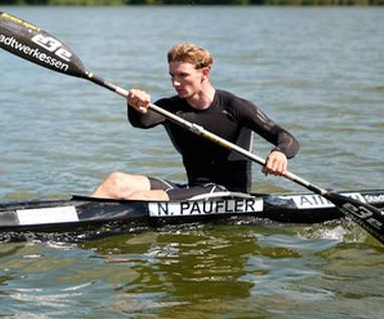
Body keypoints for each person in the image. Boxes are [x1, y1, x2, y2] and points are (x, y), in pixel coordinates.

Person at [89, 42, 299, 201]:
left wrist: (279, 152)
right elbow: (141, 122)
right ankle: (78, 217)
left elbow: (286, 138)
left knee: (141, 198)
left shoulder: (234, 106)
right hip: (192, 190)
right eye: (172, 75)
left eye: (182, 75)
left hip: (229, 195)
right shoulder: (171, 107)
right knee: (117, 181)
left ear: (204, 73)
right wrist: (136, 106)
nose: (175, 83)